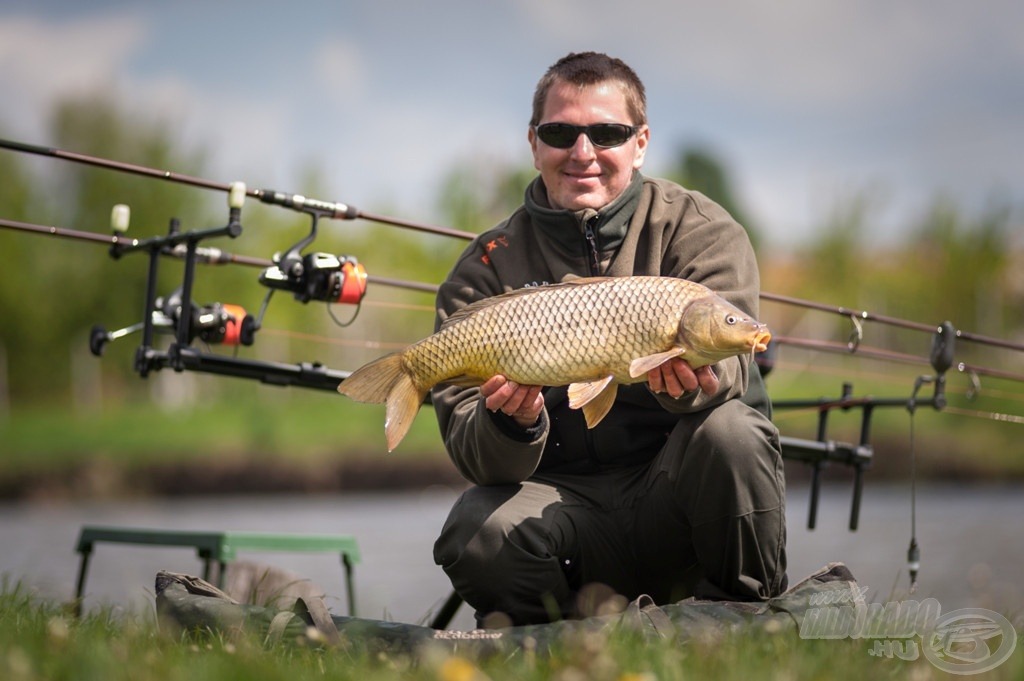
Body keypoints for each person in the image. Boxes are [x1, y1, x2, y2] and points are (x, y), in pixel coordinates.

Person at [431, 51, 787, 627]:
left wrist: (687, 390)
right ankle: (557, 645)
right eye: (560, 132)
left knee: (734, 434)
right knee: (477, 525)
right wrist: (510, 424)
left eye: (608, 133)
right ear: (533, 142)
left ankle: (747, 621)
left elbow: (734, 366)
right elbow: (472, 452)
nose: (583, 152)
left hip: (675, 503)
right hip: (563, 511)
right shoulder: (484, 270)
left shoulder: (702, 231)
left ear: (640, 142)